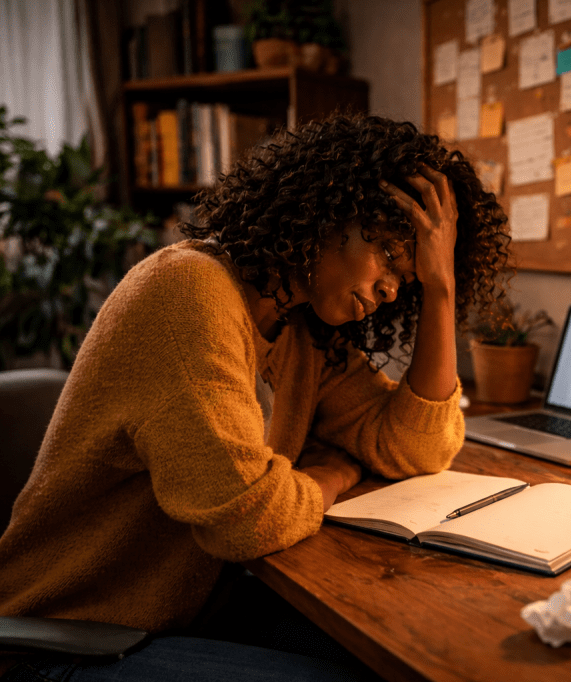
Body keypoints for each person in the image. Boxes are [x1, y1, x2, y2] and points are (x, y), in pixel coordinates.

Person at [0, 112, 511, 681]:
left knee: (404, 653)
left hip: (183, 608)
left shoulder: (301, 331)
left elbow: (415, 449)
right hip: (66, 637)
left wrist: (440, 293)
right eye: (391, 257)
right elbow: (248, 520)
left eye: (408, 282)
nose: (392, 289)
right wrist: (338, 474)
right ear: (325, 213)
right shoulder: (188, 293)